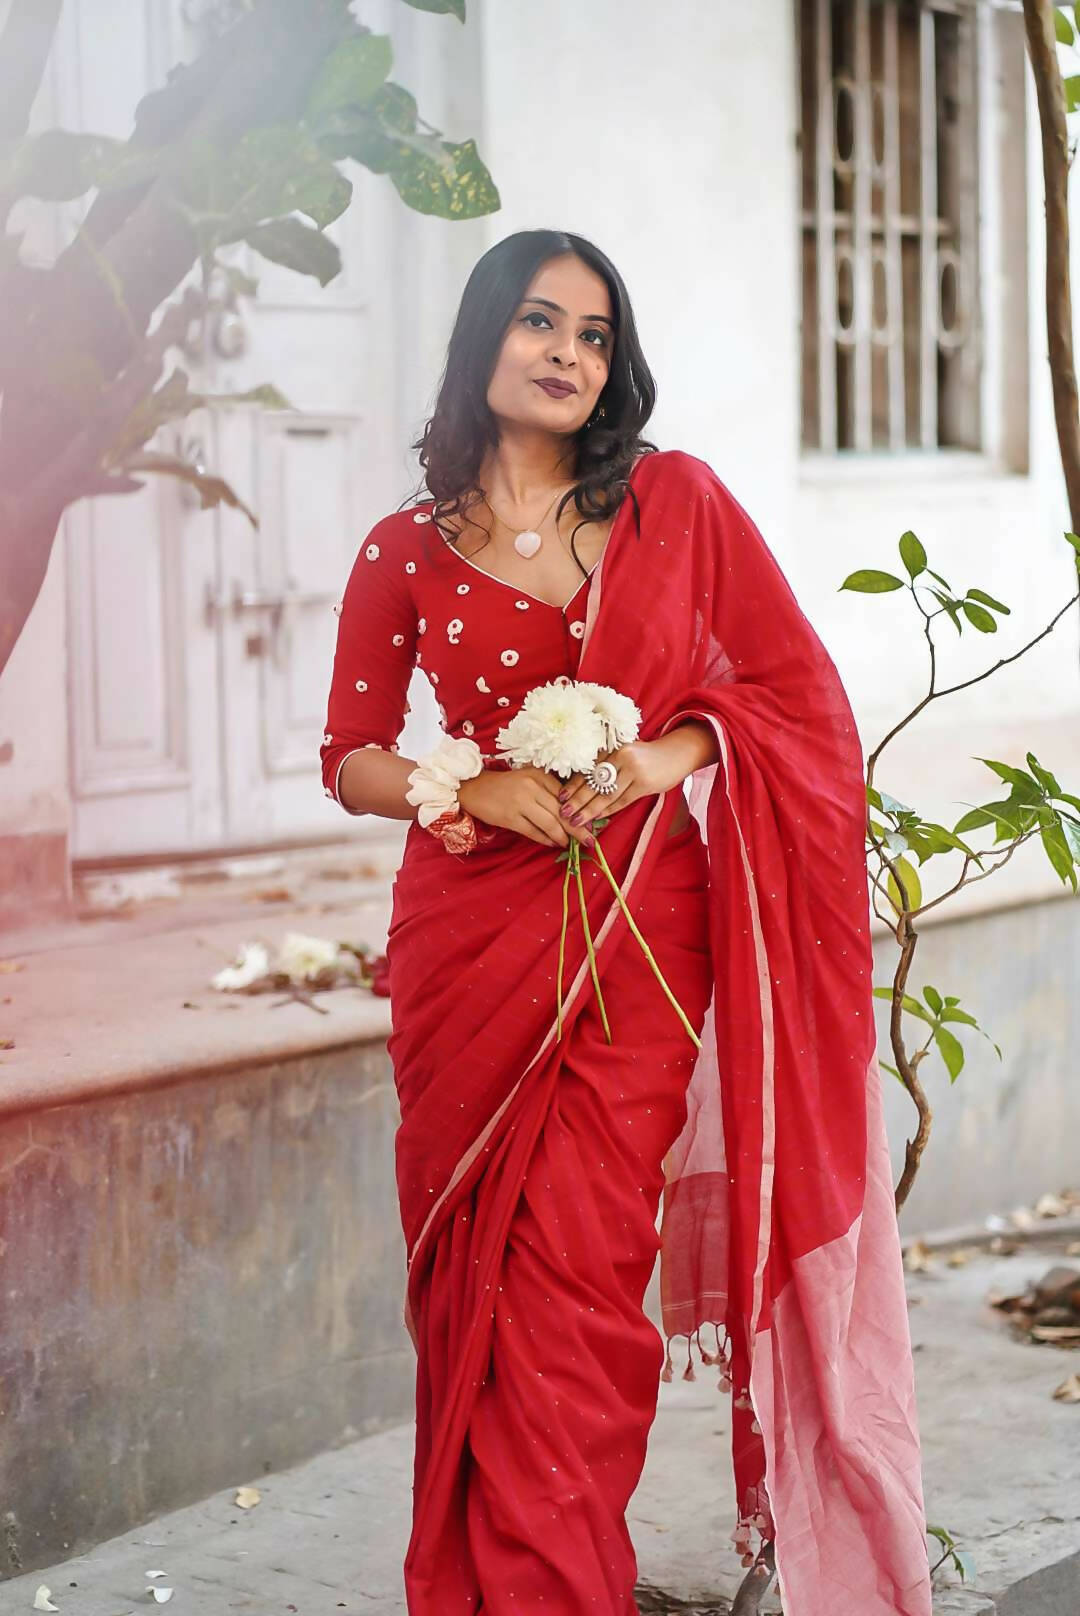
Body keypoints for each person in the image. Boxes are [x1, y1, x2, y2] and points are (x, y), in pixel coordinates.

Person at [320, 229, 932, 1616]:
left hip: (639, 933)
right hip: (468, 940)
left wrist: (665, 755)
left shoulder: (676, 505)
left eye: (595, 336)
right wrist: (461, 784)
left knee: (584, 1294)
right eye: (540, 323)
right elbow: (350, 752)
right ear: (483, 340)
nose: (567, 354)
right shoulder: (405, 550)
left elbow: (797, 698)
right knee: (477, 1290)